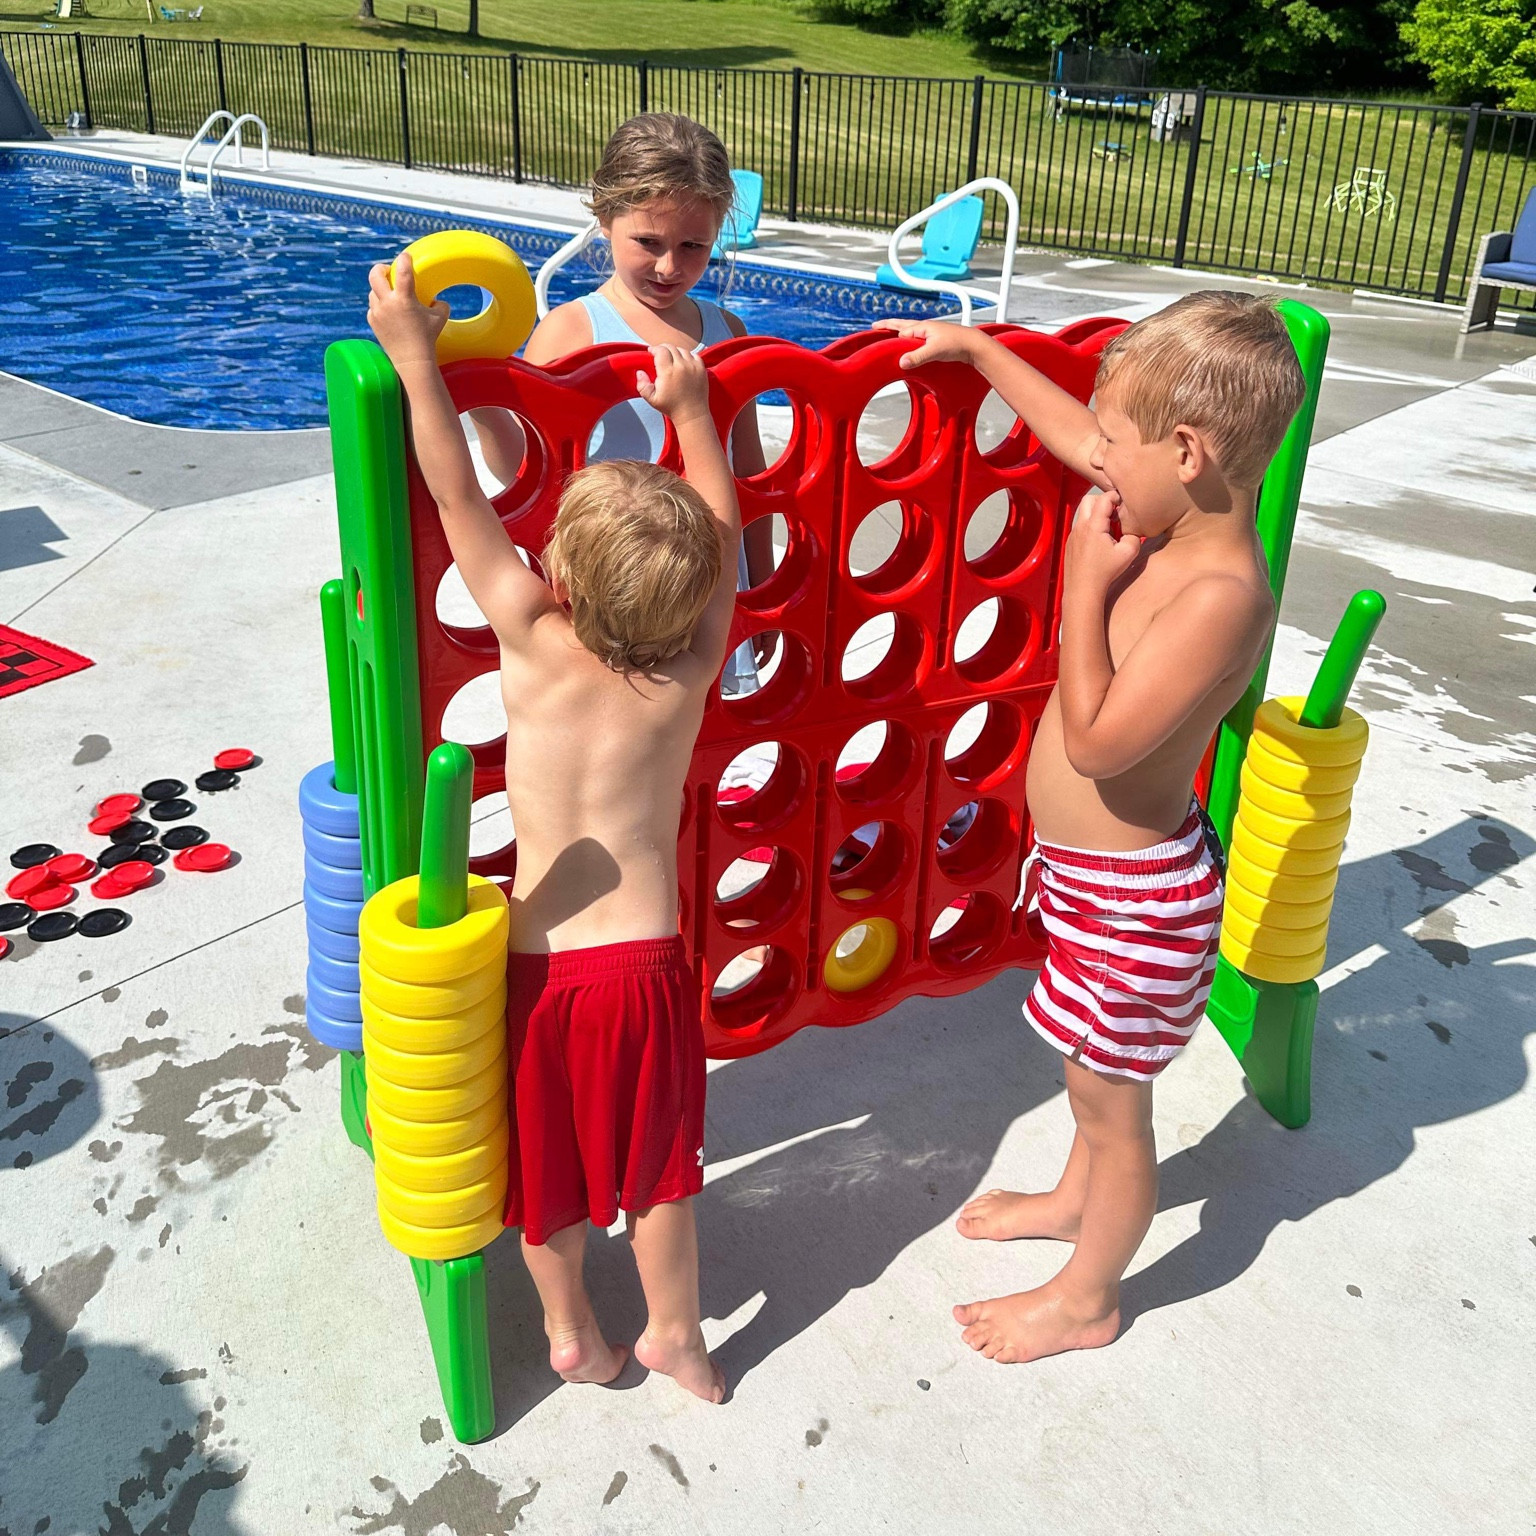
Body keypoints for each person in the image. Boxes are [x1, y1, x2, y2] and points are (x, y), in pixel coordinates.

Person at [876, 293, 1305, 1365]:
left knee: (1115, 1110)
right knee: (1088, 1076)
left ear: (1190, 451)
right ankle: (1076, 1201)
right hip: (1089, 881)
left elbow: (1103, 743)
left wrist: (1079, 587)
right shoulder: (1168, 511)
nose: (1094, 460)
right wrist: (979, 350)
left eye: (1118, 443)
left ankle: (1088, 1297)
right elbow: (1078, 431)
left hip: (1138, 902)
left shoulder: (1217, 593)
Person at [368, 254, 736, 1404]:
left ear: (561, 570)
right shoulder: (689, 667)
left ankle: (571, 1331)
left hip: (537, 968)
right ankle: (676, 1332)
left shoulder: (527, 628)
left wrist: (416, 359)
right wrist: (697, 415)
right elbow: (721, 526)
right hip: (641, 966)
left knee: (552, 1178)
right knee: (662, 1173)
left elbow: (456, 496)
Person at [468, 111, 773, 696]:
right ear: (605, 217)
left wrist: (759, 588)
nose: (669, 266)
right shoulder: (571, 331)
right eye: (648, 242)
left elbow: (749, 473)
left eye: (693, 246)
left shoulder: (727, 331)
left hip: (708, 586)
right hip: (615, 589)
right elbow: (525, 471)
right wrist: (485, 410)